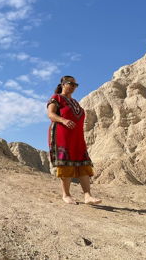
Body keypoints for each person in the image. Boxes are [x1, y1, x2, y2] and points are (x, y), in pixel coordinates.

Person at [47, 75, 101, 205]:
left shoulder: (76, 102)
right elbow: (51, 114)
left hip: (77, 136)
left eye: (75, 85)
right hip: (62, 134)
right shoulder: (56, 98)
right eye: (70, 83)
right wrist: (63, 120)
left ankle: (88, 195)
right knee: (66, 162)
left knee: (83, 163)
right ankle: (66, 194)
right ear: (63, 84)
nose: (73, 87)